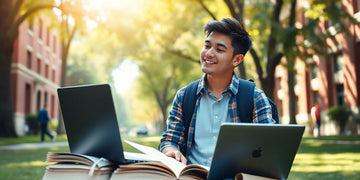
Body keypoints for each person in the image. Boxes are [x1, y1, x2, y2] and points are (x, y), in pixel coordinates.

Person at [159, 18, 275, 166]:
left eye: (219, 50)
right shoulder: (184, 96)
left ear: (237, 59)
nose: (209, 53)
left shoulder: (255, 97)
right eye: (207, 46)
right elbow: (170, 140)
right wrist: (170, 149)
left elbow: (268, 149)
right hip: (191, 175)